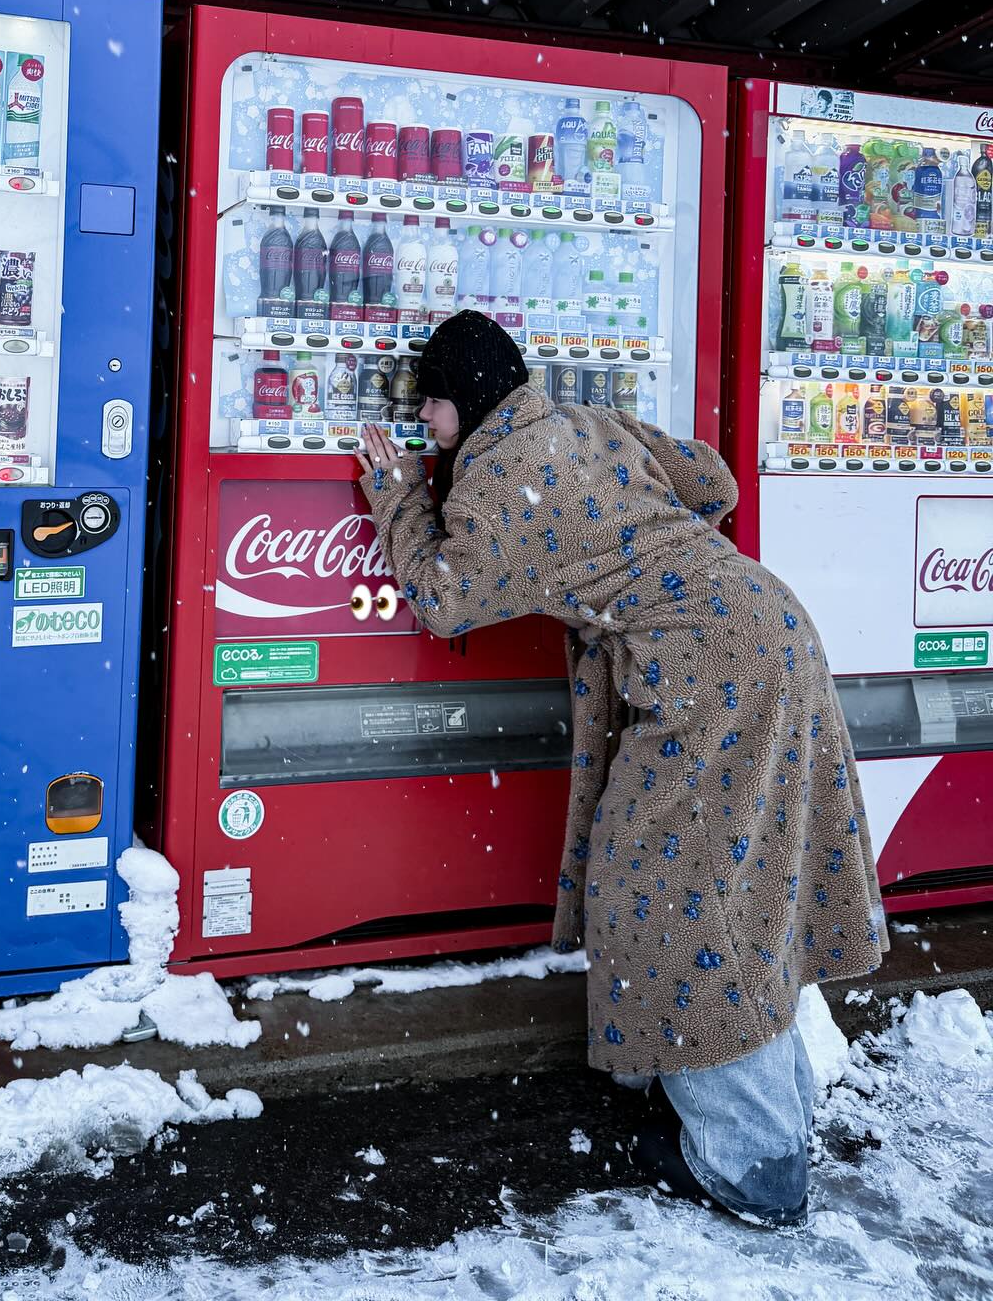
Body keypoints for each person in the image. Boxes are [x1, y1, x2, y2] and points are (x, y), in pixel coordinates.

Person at [355, 309, 886, 1228]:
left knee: (675, 891)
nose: (424, 425)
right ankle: (769, 1112)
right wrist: (639, 550)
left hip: (711, 673)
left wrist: (396, 495)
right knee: (738, 879)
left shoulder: (498, 477)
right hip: (767, 626)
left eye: (429, 406)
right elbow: (712, 481)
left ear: (464, 399)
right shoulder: (577, 421)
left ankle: (753, 1163)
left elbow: (442, 600)